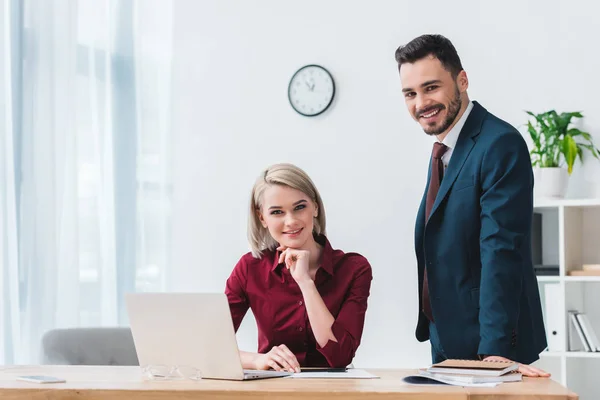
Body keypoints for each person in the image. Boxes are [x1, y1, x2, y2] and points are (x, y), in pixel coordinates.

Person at [394, 34, 549, 377]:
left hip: (487, 344)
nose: (421, 102)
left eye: (431, 87)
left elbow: (501, 249)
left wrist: (494, 351)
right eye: (410, 93)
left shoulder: (498, 143)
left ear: (462, 80)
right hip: (447, 337)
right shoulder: (445, 149)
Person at [225, 163, 372, 373]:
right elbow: (210, 347)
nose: (291, 221)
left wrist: (305, 282)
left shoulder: (354, 269)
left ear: (315, 206)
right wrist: (258, 360)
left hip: (333, 392)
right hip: (271, 391)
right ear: (262, 218)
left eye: (300, 207)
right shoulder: (249, 268)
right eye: (277, 212)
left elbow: (341, 355)